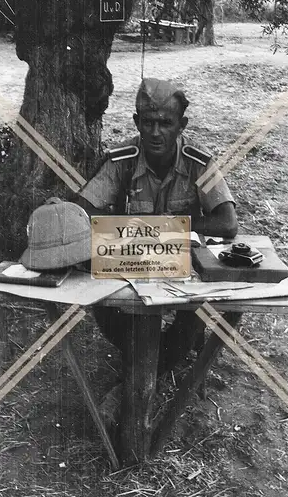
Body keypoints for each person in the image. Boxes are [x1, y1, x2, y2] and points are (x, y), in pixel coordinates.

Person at [77, 78, 238, 373]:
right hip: (131, 260)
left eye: (166, 123)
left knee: (194, 313)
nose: (155, 132)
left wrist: (167, 229)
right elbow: (83, 211)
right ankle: (148, 361)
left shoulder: (198, 163)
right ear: (137, 122)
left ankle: (153, 365)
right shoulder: (122, 160)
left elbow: (228, 224)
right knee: (98, 295)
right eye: (148, 122)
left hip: (183, 264)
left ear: (182, 124)